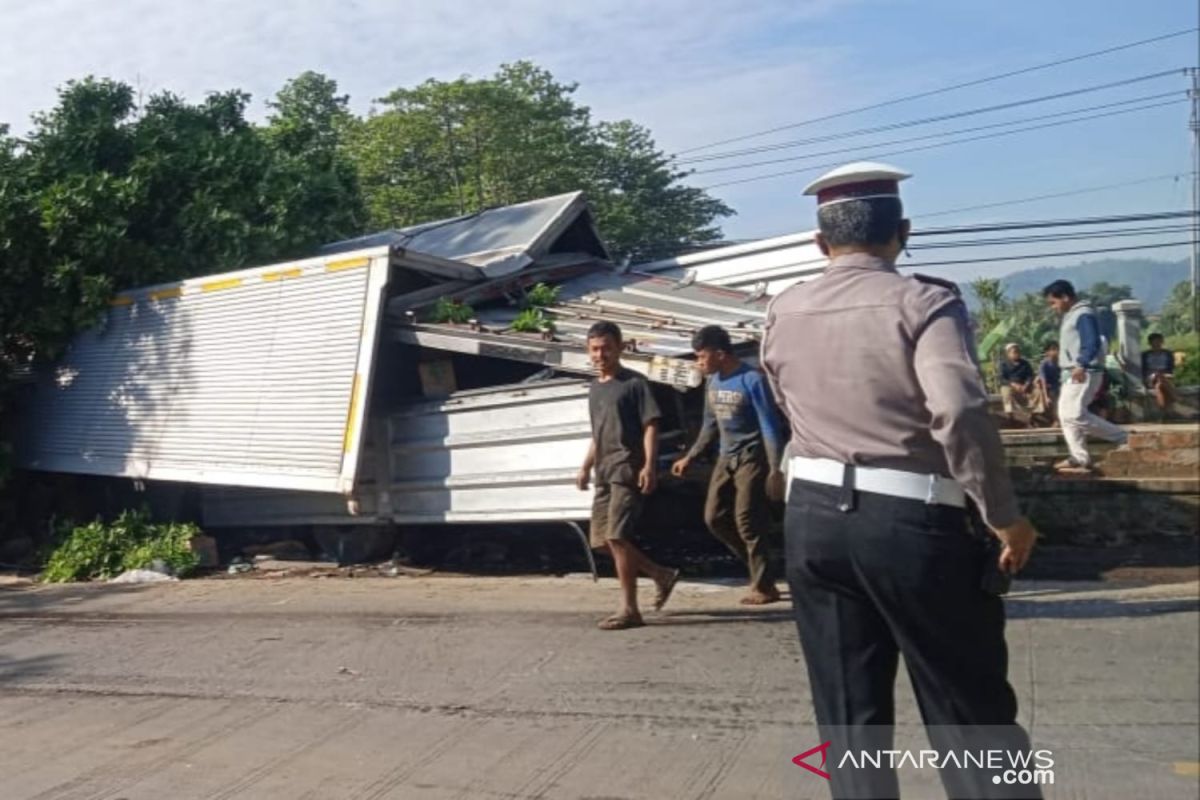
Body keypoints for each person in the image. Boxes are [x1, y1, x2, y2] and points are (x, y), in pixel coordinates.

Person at [761, 161, 1040, 799]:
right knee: (972, 715)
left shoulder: (785, 309)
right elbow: (960, 410)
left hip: (812, 522)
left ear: (819, 242)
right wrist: (1003, 513)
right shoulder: (925, 301)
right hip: (913, 524)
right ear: (903, 232)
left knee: (848, 722)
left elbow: (785, 401)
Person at [670, 325, 786, 605]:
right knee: (714, 517)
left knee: (747, 519)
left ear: (720, 354)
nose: (699, 363)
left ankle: (764, 585)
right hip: (726, 455)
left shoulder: (752, 380)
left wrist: (775, 469)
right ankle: (758, 567)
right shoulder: (713, 382)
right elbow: (710, 425)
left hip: (752, 455)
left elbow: (770, 427)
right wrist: (691, 456)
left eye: (701, 356)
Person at [577, 321, 680, 630]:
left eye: (607, 347)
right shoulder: (596, 388)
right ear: (588, 351)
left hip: (627, 469)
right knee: (599, 541)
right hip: (604, 471)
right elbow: (598, 433)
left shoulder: (635, 384)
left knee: (617, 537)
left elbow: (651, 425)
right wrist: (585, 466)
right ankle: (660, 573)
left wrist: (649, 465)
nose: (601, 354)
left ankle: (629, 609)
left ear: (620, 347)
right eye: (595, 349)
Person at [1042, 280, 1129, 472]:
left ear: (1065, 297)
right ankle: (1079, 457)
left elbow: (1091, 342)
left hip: (1083, 371)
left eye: (1053, 303)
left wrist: (1081, 363)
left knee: (1074, 414)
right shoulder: (1072, 315)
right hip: (1072, 372)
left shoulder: (1083, 314)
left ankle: (1122, 437)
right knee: (1065, 416)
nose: (1053, 307)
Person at [998, 343, 1036, 427]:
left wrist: (1026, 384)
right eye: (1014, 352)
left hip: (1023, 386)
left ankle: (1031, 419)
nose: (1016, 354)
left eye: (1018, 351)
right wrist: (1013, 384)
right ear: (1008, 353)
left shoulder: (1025, 363)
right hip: (1010, 385)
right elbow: (1001, 378)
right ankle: (1010, 417)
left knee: (1035, 392)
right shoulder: (1003, 364)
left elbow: (1030, 375)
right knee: (1006, 391)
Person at [1141, 332, 1177, 419]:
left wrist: (1163, 374)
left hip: (1165, 376)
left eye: (1159, 341)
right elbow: (1142, 370)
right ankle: (1175, 397)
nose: (1157, 344)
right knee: (1158, 377)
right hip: (1150, 377)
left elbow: (1171, 367)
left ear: (1162, 342)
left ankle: (1163, 413)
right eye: (1154, 342)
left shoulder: (1168, 353)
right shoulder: (1145, 355)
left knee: (1159, 386)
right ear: (1150, 343)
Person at [1035, 341, 1061, 426]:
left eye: (1056, 349)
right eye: (1052, 349)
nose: (1055, 352)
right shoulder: (1044, 364)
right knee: (1053, 397)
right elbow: (1043, 380)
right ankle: (1056, 420)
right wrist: (1046, 397)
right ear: (1047, 352)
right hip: (1049, 387)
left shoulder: (1061, 362)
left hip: (1060, 385)